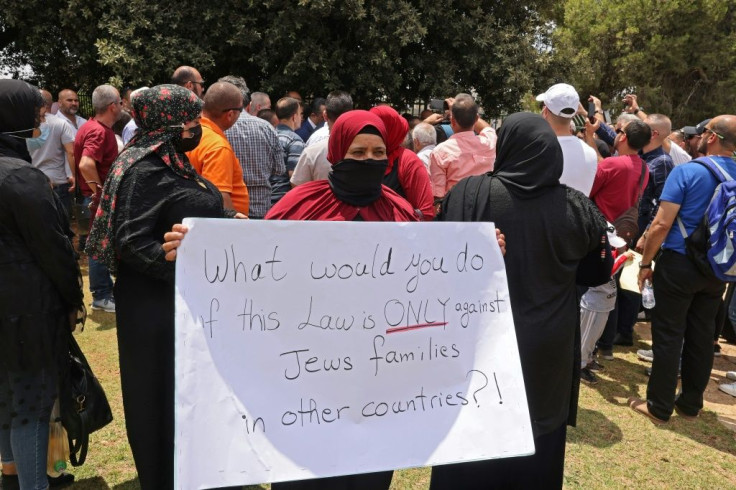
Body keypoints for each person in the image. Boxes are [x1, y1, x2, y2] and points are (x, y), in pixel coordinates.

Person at [161, 110, 507, 489]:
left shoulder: (400, 212)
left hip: (378, 383)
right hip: (305, 379)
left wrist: (479, 254)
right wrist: (199, 250)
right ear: (337, 154)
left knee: (368, 476)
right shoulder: (300, 205)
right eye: (359, 153)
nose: (370, 161)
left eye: (378, 153)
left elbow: (428, 284)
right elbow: (255, 269)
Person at [430, 113, 611, 489]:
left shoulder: (468, 194)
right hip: (545, 351)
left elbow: (437, 255)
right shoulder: (577, 207)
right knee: (536, 444)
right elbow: (598, 273)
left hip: (477, 343)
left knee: (469, 446)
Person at [86, 84, 237, 490]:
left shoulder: (167, 161)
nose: (196, 129)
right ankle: (165, 476)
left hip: (179, 303)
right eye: (191, 122)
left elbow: (183, 213)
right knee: (159, 393)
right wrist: (187, 270)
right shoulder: (143, 169)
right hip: (156, 307)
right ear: (168, 125)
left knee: (186, 391)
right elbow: (130, 241)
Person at [0, 79, 84, 490]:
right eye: (35, 117)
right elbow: (55, 249)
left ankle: (12, 476)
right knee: (31, 407)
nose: (41, 125)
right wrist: (74, 299)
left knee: (5, 400)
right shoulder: (22, 179)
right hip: (25, 310)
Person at [632, 115, 736, 424]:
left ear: (713, 137)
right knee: (702, 336)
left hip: (679, 263)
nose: (701, 135)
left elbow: (662, 224)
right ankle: (691, 403)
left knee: (668, 334)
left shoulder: (689, 171)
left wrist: (646, 263)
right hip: (717, 269)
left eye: (705, 131)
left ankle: (658, 405)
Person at [77, 84, 123, 313]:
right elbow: (85, 164)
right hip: (95, 200)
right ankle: (102, 295)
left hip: (90, 198)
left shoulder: (89, 126)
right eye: (121, 103)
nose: (124, 106)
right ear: (113, 106)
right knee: (99, 246)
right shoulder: (99, 131)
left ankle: (104, 292)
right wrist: (100, 193)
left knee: (98, 244)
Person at [220, 76, 285, 219]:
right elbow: (279, 169)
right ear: (248, 104)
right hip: (261, 210)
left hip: (227, 212)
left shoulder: (217, 129)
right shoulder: (266, 127)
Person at [186, 81, 249, 215]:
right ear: (230, 114)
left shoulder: (191, 133)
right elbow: (219, 197)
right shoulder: (217, 146)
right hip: (221, 228)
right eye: (240, 110)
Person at [368, 105, 435, 220]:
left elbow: (426, 211)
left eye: (377, 127)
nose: (370, 132)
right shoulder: (361, 157)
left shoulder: (408, 161)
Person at [428, 94, 497, 200]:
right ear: (477, 118)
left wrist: (455, 111)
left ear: (452, 121)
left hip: (455, 210)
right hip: (484, 208)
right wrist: (465, 110)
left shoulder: (440, 152)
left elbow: (438, 196)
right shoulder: (489, 143)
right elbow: (487, 129)